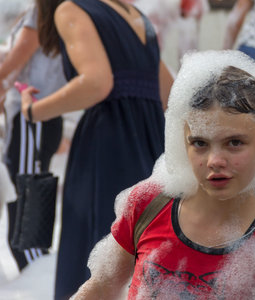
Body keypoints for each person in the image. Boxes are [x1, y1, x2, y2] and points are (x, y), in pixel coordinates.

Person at [70, 50, 255, 299]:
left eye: (235, 143)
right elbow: (102, 289)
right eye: (200, 143)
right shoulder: (148, 204)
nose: (214, 161)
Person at [18, 0, 173, 298]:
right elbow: (169, 92)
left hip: (108, 144)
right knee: (145, 244)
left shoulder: (72, 9)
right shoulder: (134, 14)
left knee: (100, 246)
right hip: (153, 141)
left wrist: (35, 110)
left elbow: (96, 83)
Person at [0, 4, 66, 271]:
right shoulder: (53, 11)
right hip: (37, 116)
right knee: (25, 194)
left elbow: (13, 65)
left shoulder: (44, 11)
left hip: (33, 114)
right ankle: (36, 269)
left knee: (26, 198)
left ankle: (36, 272)